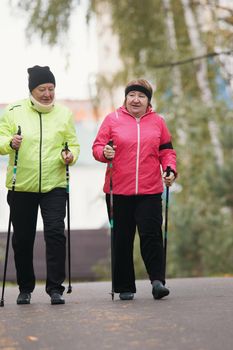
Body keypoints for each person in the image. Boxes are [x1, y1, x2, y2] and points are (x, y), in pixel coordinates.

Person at [0, 65, 80, 305]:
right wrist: (10, 143)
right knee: (23, 239)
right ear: (31, 90)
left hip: (54, 185)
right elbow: (1, 139)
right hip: (21, 185)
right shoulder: (13, 111)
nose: (47, 94)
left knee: (55, 233)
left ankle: (55, 288)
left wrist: (69, 156)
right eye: (42, 89)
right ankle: (25, 288)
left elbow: (73, 145)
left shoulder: (64, 114)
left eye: (51, 88)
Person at [92, 79, 177, 300]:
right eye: (132, 95)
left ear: (148, 101)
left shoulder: (158, 122)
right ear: (126, 98)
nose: (136, 99)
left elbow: (167, 151)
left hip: (149, 190)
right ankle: (124, 286)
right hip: (118, 190)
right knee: (122, 239)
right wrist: (105, 153)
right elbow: (98, 147)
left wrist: (170, 169)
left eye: (141, 96)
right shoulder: (113, 119)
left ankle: (157, 282)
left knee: (151, 236)